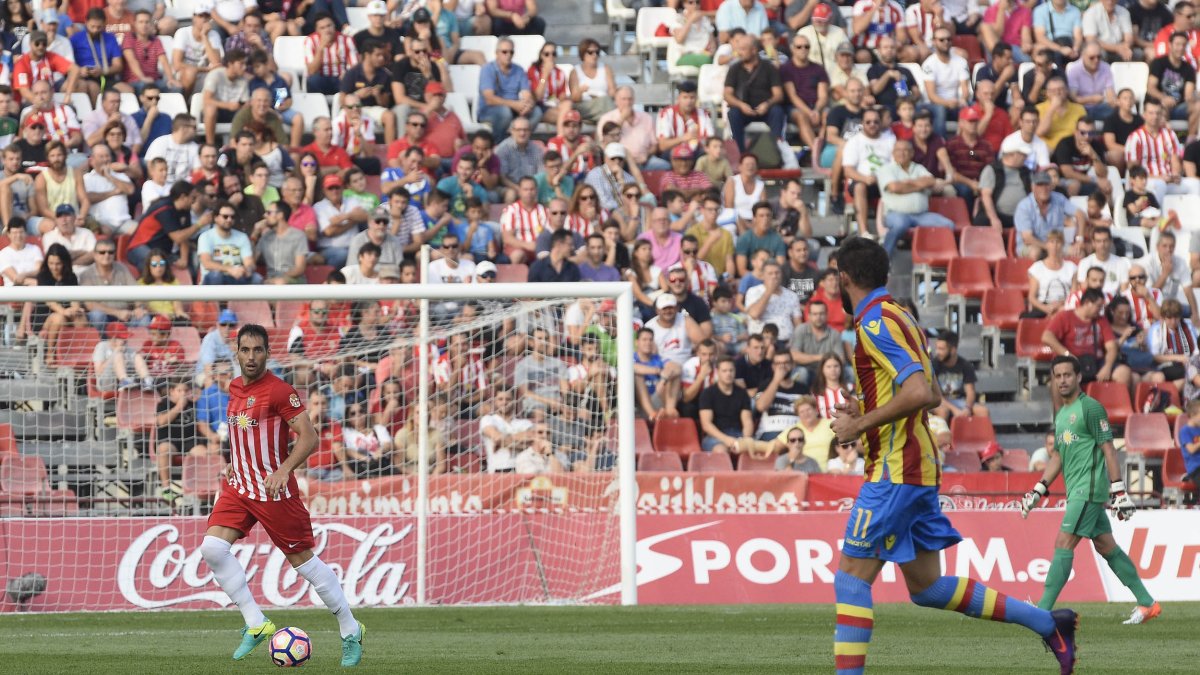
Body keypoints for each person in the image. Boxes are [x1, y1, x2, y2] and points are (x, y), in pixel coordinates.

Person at [827, 237, 1077, 675]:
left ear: (844, 277)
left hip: (895, 470)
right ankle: (1046, 622)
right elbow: (927, 391)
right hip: (916, 467)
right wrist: (865, 406)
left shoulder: (874, 323)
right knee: (927, 587)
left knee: (851, 580)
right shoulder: (899, 315)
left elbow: (922, 393)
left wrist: (860, 424)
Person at [198, 325, 364, 665]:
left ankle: (351, 629)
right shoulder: (234, 387)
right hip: (239, 486)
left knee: (304, 563)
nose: (251, 357)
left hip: (273, 492)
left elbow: (309, 437)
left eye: (258, 350)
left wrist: (284, 470)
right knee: (212, 548)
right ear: (236, 352)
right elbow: (245, 434)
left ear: (267, 353)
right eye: (245, 350)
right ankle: (256, 623)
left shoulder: (279, 391)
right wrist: (234, 462)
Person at [1020, 354, 1161, 625]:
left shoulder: (1090, 408)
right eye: (1058, 376)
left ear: (1078, 377)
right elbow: (1058, 455)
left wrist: (1119, 491)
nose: (1062, 380)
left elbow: (1109, 449)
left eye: (1067, 375)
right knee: (1107, 547)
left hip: (1088, 490)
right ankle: (1147, 603)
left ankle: (1041, 611)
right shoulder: (1062, 413)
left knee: (1063, 543)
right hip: (1077, 491)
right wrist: (1038, 489)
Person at [723, 35, 793, 167]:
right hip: (744, 109)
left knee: (777, 112)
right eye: (739, 49)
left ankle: (774, 154)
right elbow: (727, 95)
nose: (739, 53)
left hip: (766, 109)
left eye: (743, 49)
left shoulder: (769, 68)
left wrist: (767, 104)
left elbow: (778, 94)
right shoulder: (734, 69)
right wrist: (741, 105)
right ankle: (741, 155)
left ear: (754, 50)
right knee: (733, 113)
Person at [877, 139, 955, 255]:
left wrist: (908, 183)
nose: (902, 153)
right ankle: (884, 259)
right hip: (896, 213)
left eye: (906, 150)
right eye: (898, 150)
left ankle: (936, 258)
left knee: (948, 225)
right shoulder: (886, 169)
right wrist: (920, 186)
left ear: (912, 153)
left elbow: (930, 181)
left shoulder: (919, 168)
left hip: (921, 215)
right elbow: (895, 188)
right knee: (900, 225)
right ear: (893, 153)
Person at [1127, 99, 1200, 209]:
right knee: (1159, 185)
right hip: (1146, 181)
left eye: (1158, 113)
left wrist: (1175, 174)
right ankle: (1156, 215)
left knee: (1194, 184)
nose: (1155, 116)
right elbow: (1134, 170)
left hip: (1169, 179)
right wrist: (1160, 177)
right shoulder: (1136, 137)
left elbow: (1175, 160)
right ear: (1144, 115)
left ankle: (1194, 216)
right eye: (1151, 113)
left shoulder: (1169, 134)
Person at [842, 106, 896, 239]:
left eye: (876, 122)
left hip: (886, 181)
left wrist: (884, 178)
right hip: (863, 181)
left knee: (897, 186)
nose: (872, 125)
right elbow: (848, 170)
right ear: (862, 123)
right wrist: (865, 178)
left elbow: (896, 166)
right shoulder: (854, 141)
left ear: (880, 123)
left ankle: (894, 233)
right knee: (860, 187)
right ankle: (864, 232)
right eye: (868, 122)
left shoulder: (890, 139)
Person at [477, 37, 540, 141]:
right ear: (497, 53)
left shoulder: (519, 70)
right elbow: (489, 99)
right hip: (489, 110)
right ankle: (498, 144)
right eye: (504, 52)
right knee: (505, 113)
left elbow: (527, 94)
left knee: (536, 112)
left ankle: (518, 141)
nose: (508, 55)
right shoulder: (487, 69)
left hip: (513, 109)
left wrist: (527, 105)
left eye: (511, 52)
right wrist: (514, 105)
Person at [698, 356, 756, 455]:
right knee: (721, 450)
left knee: (751, 449)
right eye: (724, 371)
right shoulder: (707, 394)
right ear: (717, 372)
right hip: (715, 437)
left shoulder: (742, 393)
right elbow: (706, 425)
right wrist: (726, 439)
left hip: (738, 434)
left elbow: (747, 421)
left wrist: (745, 440)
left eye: (731, 370)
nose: (728, 374)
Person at [1015, 171, 1080, 259]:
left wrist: (1080, 239)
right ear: (1033, 187)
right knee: (1035, 252)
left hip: (1056, 244)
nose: (1043, 188)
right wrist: (1049, 247)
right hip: (1031, 245)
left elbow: (1080, 214)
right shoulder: (1024, 206)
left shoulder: (1059, 198)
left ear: (1051, 186)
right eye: (1040, 185)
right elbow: (1028, 238)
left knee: (1077, 252)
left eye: (1046, 184)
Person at [931, 330, 987, 419]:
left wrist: (967, 408)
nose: (937, 352)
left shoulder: (965, 365)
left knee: (983, 411)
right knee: (943, 411)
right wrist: (954, 410)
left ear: (953, 350)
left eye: (941, 349)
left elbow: (970, 391)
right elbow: (936, 395)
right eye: (937, 348)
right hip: (940, 402)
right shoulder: (933, 365)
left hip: (959, 401)